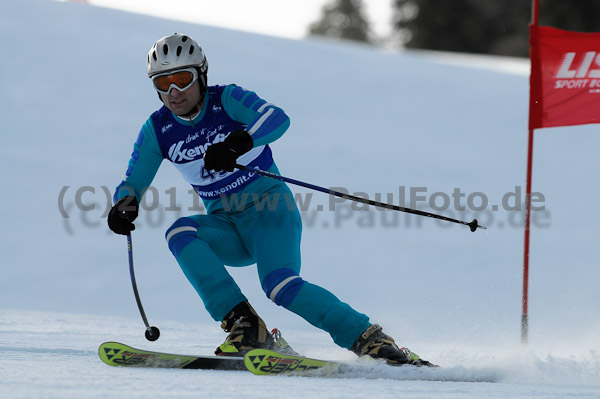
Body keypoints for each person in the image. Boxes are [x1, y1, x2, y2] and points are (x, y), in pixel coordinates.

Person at [107, 33, 432, 366]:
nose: (174, 92)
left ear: (201, 74)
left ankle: (370, 340)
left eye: (182, 79)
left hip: (269, 212)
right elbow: (132, 182)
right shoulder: (157, 130)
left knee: (281, 287)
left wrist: (240, 142)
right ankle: (245, 327)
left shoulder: (227, 99)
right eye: (163, 83)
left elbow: (277, 118)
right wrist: (124, 204)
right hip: (227, 226)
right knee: (179, 232)